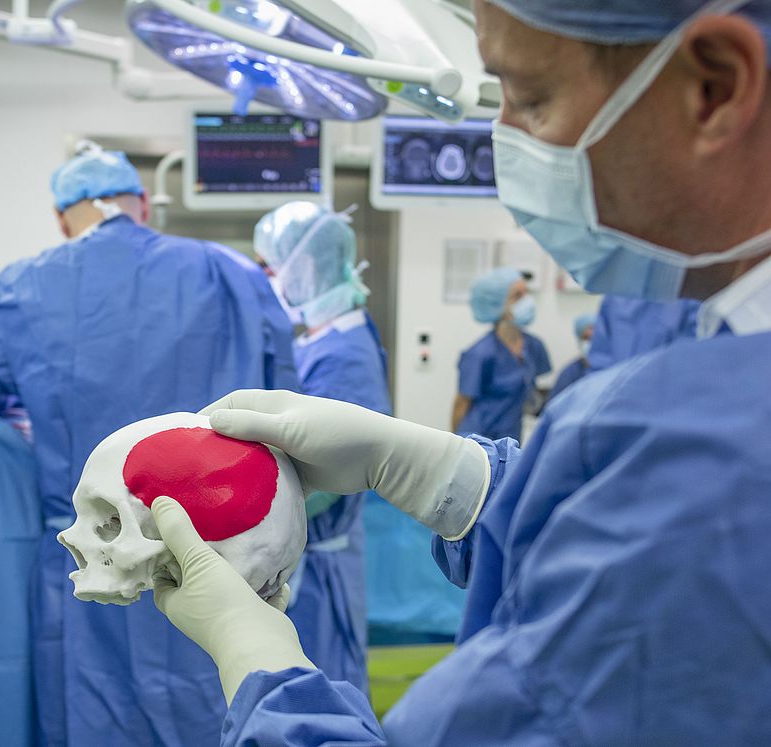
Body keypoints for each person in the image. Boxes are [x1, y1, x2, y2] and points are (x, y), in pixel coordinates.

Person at [143, 0, 771, 744]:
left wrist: (258, 665)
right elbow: (609, 524)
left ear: (716, 87)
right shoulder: (712, 381)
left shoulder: (723, 463)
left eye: (531, 97)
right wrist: (456, 477)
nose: (500, 136)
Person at [0, 142, 299, 747]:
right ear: (143, 205)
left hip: (92, 559)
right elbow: (285, 407)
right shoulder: (231, 273)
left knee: (97, 713)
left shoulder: (21, 288)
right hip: (225, 554)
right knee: (224, 694)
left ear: (62, 218)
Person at [252, 201, 391, 694]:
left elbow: (334, 470)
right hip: (307, 557)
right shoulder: (319, 340)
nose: (267, 279)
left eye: (270, 266)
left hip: (319, 563)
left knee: (321, 695)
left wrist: (257, 507)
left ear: (304, 267)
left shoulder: (344, 355)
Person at [452, 267, 551, 441]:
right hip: (478, 438)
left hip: (511, 437)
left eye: (526, 293)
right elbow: (461, 404)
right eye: (517, 296)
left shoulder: (534, 346)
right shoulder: (480, 354)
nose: (527, 301)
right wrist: (455, 445)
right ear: (496, 305)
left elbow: (534, 392)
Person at [589, 295, 701, 370]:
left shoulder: (687, 298)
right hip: (616, 391)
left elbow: (691, 359)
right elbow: (599, 358)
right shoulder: (614, 298)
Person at [547, 312, 596, 401]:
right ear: (579, 341)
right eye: (586, 339)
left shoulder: (616, 370)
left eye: (595, 339)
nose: (591, 344)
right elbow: (554, 404)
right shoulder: (570, 374)